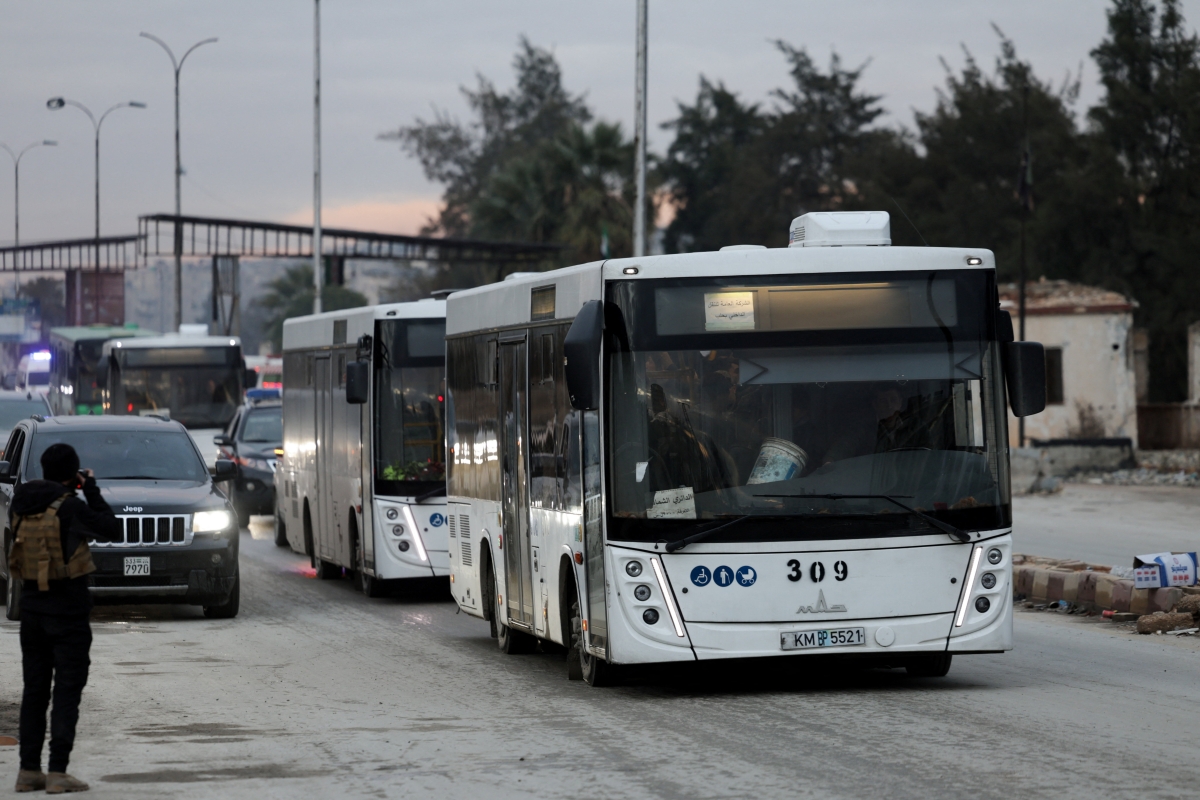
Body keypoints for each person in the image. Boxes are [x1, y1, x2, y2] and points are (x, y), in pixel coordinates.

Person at [11, 443, 122, 794]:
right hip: (69, 615)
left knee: (34, 692)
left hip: (31, 612)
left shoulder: (20, 504)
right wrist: (90, 488)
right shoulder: (71, 507)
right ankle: (57, 772)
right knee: (66, 693)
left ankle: (28, 770)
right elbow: (111, 528)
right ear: (72, 474)